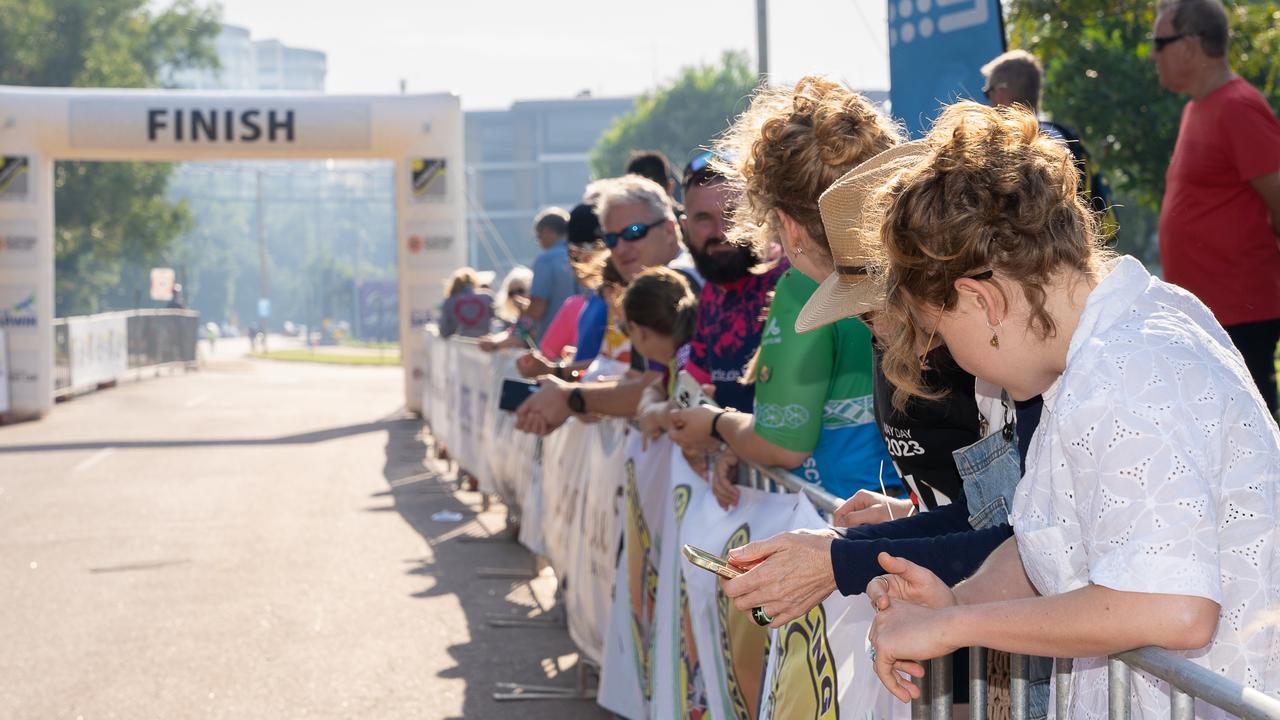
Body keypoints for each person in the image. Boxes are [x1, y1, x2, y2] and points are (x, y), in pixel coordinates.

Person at [851, 101, 1279, 714]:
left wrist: (957, 629)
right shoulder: (1120, 337)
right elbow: (1050, 541)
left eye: (940, 331)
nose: (951, 355)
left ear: (983, 300)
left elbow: (1174, 607)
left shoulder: (1120, 371)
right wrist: (961, 602)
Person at [667, 77, 899, 500]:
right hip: (925, 517)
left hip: (840, 520)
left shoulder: (800, 288)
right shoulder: (912, 260)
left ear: (787, 224)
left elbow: (783, 446)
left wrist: (718, 426)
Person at [1152, 0, 1280, 419]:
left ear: (1189, 46)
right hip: (1215, 313)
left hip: (1243, 312)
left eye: (1160, 42)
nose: (1154, 54)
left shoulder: (1237, 105)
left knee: (1252, 435)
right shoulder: (1198, 107)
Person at [514, 176, 701, 435]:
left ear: (670, 230)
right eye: (611, 239)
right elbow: (643, 383)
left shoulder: (677, 282)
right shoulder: (646, 287)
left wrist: (571, 397)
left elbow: (648, 388)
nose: (621, 248)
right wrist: (571, 398)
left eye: (634, 233)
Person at [981, 49, 1115, 231]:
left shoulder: (1017, 144)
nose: (988, 102)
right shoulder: (1062, 136)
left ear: (1001, 93)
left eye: (988, 92)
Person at [621, 266, 698, 397]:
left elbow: (676, 415)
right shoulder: (686, 355)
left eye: (627, 330)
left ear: (639, 331)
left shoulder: (686, 365)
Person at [525, 207, 579, 341]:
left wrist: (523, 311)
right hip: (582, 339)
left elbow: (538, 308)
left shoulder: (545, 260)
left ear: (547, 231)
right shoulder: (583, 256)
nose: (539, 242)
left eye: (538, 236)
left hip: (553, 341)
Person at [438, 267, 493, 338]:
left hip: (460, 346)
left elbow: (444, 331)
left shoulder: (450, 301)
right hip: (485, 344)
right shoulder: (487, 297)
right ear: (474, 282)